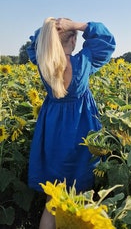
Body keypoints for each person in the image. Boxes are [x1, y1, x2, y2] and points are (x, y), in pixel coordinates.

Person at [27, 17, 116, 229]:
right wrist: (77, 25)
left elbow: (35, 43)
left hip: (53, 134)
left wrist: (51, 28)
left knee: (52, 201)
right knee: (83, 198)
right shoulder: (84, 62)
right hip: (82, 132)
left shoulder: (44, 64)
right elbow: (107, 41)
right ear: (74, 41)